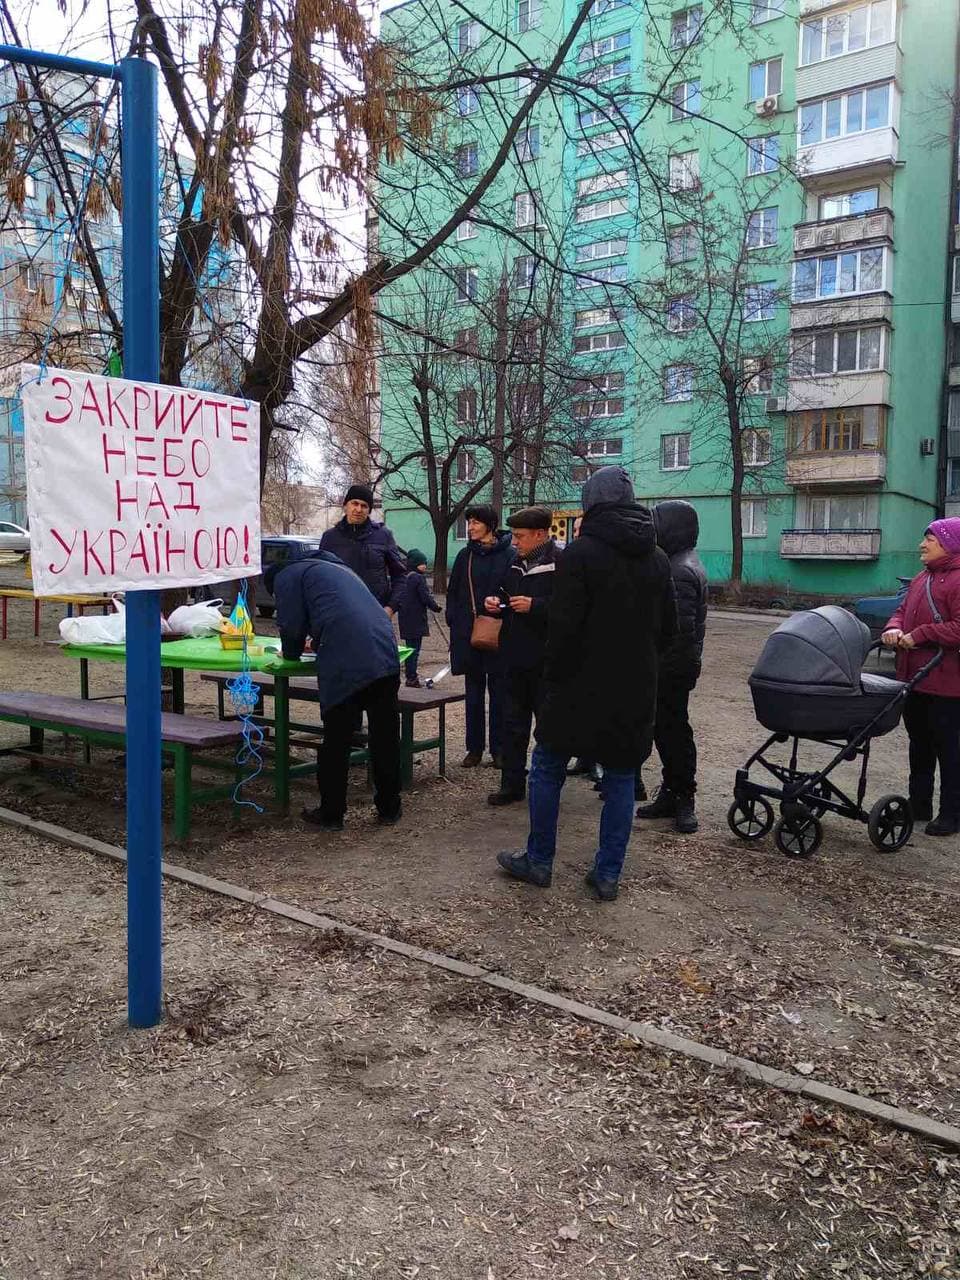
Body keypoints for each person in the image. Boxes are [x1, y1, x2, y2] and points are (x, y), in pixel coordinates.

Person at [496, 466, 675, 901]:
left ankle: (539, 861)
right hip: (633, 689)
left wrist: (552, 679)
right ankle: (608, 874)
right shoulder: (658, 558)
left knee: (547, 766)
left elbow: (563, 628)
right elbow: (668, 631)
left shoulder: (578, 555)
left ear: (591, 504)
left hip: (576, 686)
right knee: (619, 777)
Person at [265, 548, 402, 831]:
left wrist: (290, 652)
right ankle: (390, 808)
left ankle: (331, 813)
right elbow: (340, 613)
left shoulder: (287, 576)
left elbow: (290, 626)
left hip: (347, 661)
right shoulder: (336, 569)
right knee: (384, 736)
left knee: (336, 740)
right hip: (384, 652)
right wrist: (316, 642)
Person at [882, 518, 960, 836]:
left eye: (930, 539)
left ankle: (953, 813)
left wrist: (921, 634)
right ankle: (919, 804)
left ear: (950, 544)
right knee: (919, 745)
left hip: (948, 684)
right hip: (914, 678)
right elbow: (901, 611)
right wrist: (893, 629)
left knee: (951, 749)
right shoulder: (920, 578)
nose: (922, 544)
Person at [635, 499, 708, 834]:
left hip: (672, 670)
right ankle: (671, 791)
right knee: (667, 731)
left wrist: (655, 666)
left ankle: (683, 797)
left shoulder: (679, 569)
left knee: (674, 732)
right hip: (674, 667)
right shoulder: (680, 562)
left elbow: (678, 631)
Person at [483, 506, 561, 806]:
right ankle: (511, 784)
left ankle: (547, 787)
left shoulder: (561, 564)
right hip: (513, 659)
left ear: (540, 535)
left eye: (520, 537)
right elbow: (504, 592)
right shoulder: (516, 562)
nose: (515, 542)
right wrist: (495, 601)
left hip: (545, 663)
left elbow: (570, 608)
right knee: (512, 725)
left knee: (547, 730)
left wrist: (537, 606)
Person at [446, 505, 516, 767]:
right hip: (468, 633)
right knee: (473, 693)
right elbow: (454, 591)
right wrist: (453, 618)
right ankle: (473, 749)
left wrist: (500, 602)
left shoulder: (509, 554)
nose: (470, 527)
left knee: (500, 694)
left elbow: (514, 588)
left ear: (489, 524)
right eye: (469, 522)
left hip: (499, 632)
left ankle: (498, 749)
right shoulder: (466, 555)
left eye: (475, 522)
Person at [319, 484, 406, 614]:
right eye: (355, 503)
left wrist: (390, 608)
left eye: (364, 506)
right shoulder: (330, 537)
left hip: (375, 613)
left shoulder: (383, 535)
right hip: (339, 613)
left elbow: (400, 575)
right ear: (345, 506)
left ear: (369, 510)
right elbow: (321, 578)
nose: (358, 509)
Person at [397, 548, 441, 688]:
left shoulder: (404, 576)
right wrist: (435, 607)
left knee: (410, 648)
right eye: (423, 563)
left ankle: (410, 676)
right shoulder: (417, 577)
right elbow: (425, 597)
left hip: (405, 618)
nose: (425, 565)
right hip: (416, 619)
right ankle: (412, 678)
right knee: (414, 650)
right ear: (416, 563)